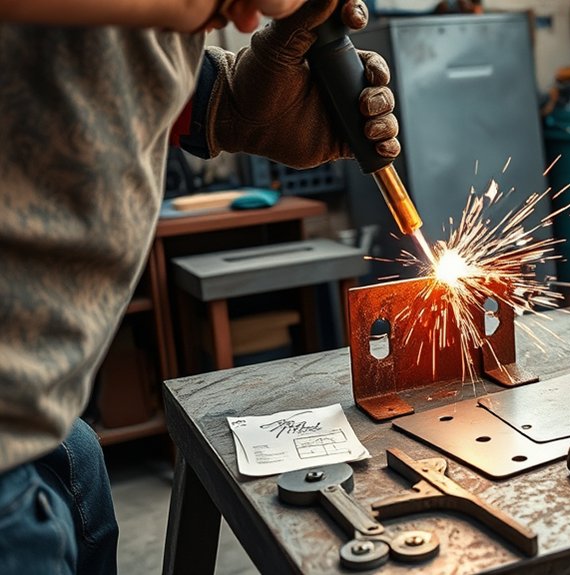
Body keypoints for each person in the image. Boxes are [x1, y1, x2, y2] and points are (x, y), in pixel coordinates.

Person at [0, 1, 398, 572]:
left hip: (42, 411)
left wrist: (222, 100)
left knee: (77, 457)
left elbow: (77, 56)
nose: (255, 12)